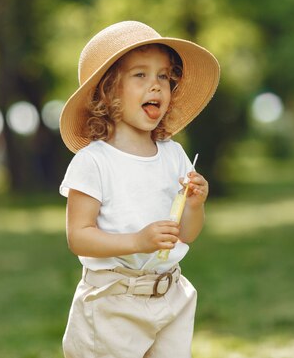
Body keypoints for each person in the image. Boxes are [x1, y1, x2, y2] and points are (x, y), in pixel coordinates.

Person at [58, 20, 220, 358]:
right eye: (141, 75)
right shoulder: (94, 162)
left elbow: (186, 235)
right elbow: (79, 236)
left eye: (163, 76)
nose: (156, 86)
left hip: (169, 295)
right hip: (112, 304)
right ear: (108, 91)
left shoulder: (174, 155)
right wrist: (136, 241)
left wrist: (194, 205)